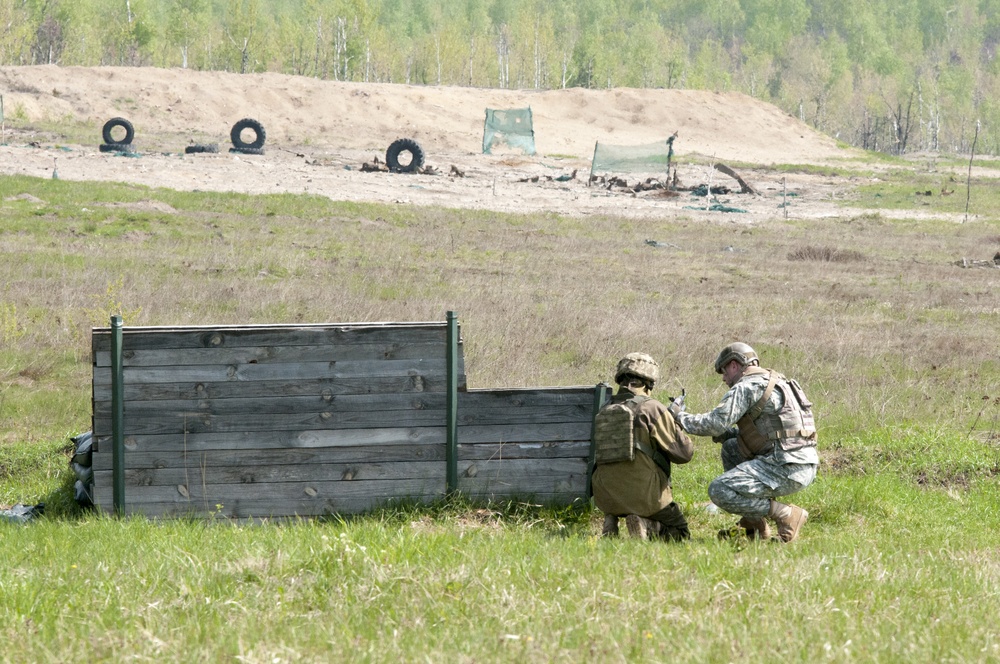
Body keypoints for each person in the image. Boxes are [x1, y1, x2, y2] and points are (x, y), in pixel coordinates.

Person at [669, 343, 818, 543]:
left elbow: (714, 424)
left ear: (733, 365)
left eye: (724, 372)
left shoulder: (747, 386)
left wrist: (680, 417)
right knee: (731, 447)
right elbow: (771, 431)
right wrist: (727, 434)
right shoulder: (779, 381)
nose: (723, 378)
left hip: (785, 466)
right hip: (802, 462)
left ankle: (786, 514)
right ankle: (754, 524)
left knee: (720, 490)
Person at [592, 352, 694, 541]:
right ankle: (645, 524)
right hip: (644, 496)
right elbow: (684, 454)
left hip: (606, 496)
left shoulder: (604, 409)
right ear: (649, 382)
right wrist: (675, 422)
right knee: (679, 533)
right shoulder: (652, 408)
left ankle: (611, 519)